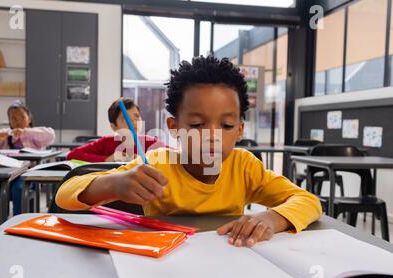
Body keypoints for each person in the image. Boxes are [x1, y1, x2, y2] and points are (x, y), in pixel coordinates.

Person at [55, 56, 322, 248]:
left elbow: (310, 201)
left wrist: (271, 218)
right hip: (166, 266)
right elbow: (65, 196)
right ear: (174, 127)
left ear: (240, 130)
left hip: (227, 262)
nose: (213, 135)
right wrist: (113, 183)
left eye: (227, 125)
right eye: (196, 125)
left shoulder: (244, 167)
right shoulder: (159, 164)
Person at [0, 101, 55, 216]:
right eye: (13, 118)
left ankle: (17, 221)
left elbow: (50, 135)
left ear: (29, 118)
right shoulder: (6, 135)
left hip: (28, 175)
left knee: (18, 188)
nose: (17, 121)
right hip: (8, 174)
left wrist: (25, 132)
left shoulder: (34, 134)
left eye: (21, 117)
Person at [66, 98, 166, 163]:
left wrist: (146, 159)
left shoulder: (149, 142)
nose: (134, 123)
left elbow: (175, 154)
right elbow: (72, 155)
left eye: (137, 117)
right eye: (126, 120)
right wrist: (107, 159)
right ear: (113, 126)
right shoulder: (106, 142)